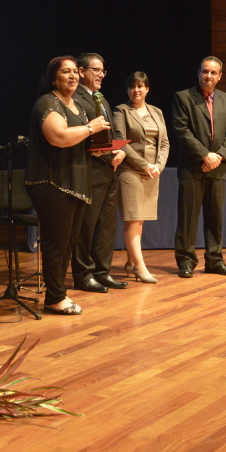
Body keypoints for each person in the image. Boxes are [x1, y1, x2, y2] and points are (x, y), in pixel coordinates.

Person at [25, 57, 111, 315]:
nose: (73, 76)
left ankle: (58, 293)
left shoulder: (76, 106)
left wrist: (96, 148)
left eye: (75, 71)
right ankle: (55, 297)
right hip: (52, 183)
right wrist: (90, 128)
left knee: (69, 243)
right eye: (66, 72)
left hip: (74, 183)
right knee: (57, 243)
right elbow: (59, 136)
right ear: (54, 77)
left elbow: (78, 140)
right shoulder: (48, 103)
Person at [172, 56, 226, 278]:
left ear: (220, 76)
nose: (208, 76)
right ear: (198, 73)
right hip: (192, 167)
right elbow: (181, 131)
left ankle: (214, 260)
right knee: (188, 217)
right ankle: (186, 261)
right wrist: (204, 155)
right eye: (205, 71)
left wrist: (218, 156)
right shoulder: (183, 97)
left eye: (213, 73)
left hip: (218, 167)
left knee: (215, 217)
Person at [70, 53, 127, 293]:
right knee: (87, 227)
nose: (101, 75)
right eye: (96, 70)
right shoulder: (75, 98)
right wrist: (105, 154)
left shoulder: (101, 99)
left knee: (106, 226)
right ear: (82, 72)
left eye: (103, 71)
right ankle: (83, 274)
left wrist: (119, 152)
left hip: (108, 171)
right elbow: (78, 134)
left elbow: (109, 135)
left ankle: (102, 272)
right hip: (89, 172)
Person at [113, 72, 169, 284]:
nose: (136, 90)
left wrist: (158, 166)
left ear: (147, 89)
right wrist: (144, 164)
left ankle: (130, 262)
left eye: (140, 86)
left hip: (152, 171)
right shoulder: (121, 110)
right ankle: (139, 266)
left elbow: (164, 143)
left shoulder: (156, 112)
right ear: (128, 90)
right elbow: (120, 141)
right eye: (132, 86)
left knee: (140, 219)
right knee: (133, 219)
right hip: (130, 170)